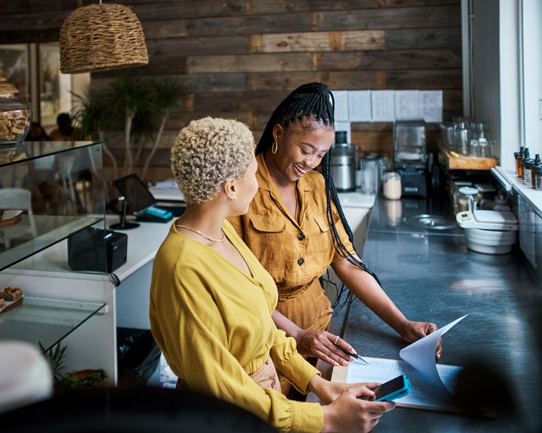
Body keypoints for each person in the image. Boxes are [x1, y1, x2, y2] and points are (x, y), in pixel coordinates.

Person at [149, 117, 395, 433]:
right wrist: (326, 420)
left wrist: (319, 385)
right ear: (232, 187)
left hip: (263, 405)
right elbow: (222, 387)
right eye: (254, 173)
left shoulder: (220, 230)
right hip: (228, 418)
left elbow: (261, 328)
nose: (259, 182)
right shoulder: (182, 266)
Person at [228, 82, 441, 371]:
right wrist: (297, 335)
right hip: (264, 339)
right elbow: (235, 287)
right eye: (306, 149)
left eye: (321, 154)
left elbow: (348, 263)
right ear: (278, 133)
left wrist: (403, 325)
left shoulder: (316, 185)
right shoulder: (241, 187)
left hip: (320, 331)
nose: (311, 162)